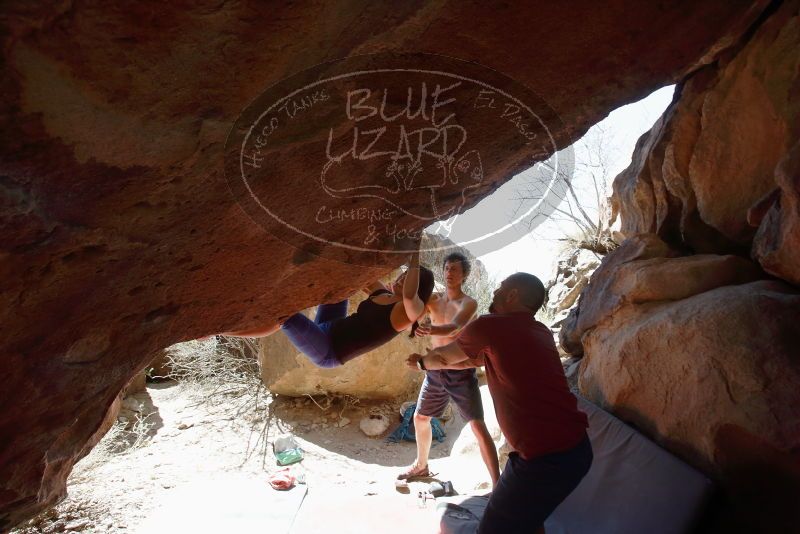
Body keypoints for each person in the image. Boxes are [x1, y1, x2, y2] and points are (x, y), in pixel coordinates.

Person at [407, 273, 592, 534]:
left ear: (513, 295)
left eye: (501, 287)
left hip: (546, 459)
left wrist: (420, 363)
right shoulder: (538, 331)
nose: (495, 291)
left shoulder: (490, 326)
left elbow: (445, 358)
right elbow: (476, 360)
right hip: (575, 450)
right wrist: (433, 363)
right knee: (529, 517)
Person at [226, 249, 434, 368]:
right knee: (339, 287)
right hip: (329, 326)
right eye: (403, 275)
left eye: (408, 278)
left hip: (329, 350)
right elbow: (359, 275)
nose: (402, 278)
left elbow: (409, 295)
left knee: (285, 317)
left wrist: (414, 252)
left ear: (418, 290)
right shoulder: (383, 294)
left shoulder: (407, 314)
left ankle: (224, 331)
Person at [398, 252, 500, 487]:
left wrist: (430, 330)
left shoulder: (468, 303)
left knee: (477, 424)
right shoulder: (434, 300)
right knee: (420, 418)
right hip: (434, 370)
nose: (449, 273)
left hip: (460, 370)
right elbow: (413, 311)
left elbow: (455, 327)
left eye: (455, 269)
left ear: (464, 275)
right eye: (446, 268)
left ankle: (497, 483)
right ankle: (421, 466)